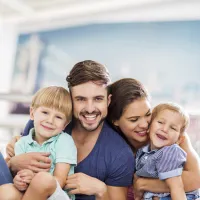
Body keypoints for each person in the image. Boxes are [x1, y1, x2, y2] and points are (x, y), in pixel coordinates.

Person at [4, 60, 135, 200]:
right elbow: (9, 171)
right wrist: (13, 164)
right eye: (81, 99)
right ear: (71, 101)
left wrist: (101, 190)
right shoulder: (44, 125)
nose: (90, 108)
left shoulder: (120, 154)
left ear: (108, 101)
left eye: (98, 99)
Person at [107, 78, 200, 200]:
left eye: (147, 114)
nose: (144, 124)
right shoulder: (112, 148)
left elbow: (196, 178)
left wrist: (144, 184)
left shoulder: (172, 137)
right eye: (134, 120)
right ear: (115, 121)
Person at [0, 86, 77, 200]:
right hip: (29, 194)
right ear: (32, 113)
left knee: (43, 179)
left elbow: (59, 181)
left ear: (65, 125)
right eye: (45, 112)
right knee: (6, 191)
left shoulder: (64, 141)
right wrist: (19, 181)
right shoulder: (21, 143)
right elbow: (17, 176)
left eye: (58, 117)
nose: (50, 120)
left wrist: (34, 179)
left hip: (55, 195)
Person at [136, 102, 199, 200]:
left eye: (173, 128)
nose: (164, 129)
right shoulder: (145, 151)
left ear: (179, 139)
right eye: (160, 122)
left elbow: (177, 188)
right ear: (149, 126)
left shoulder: (170, 153)